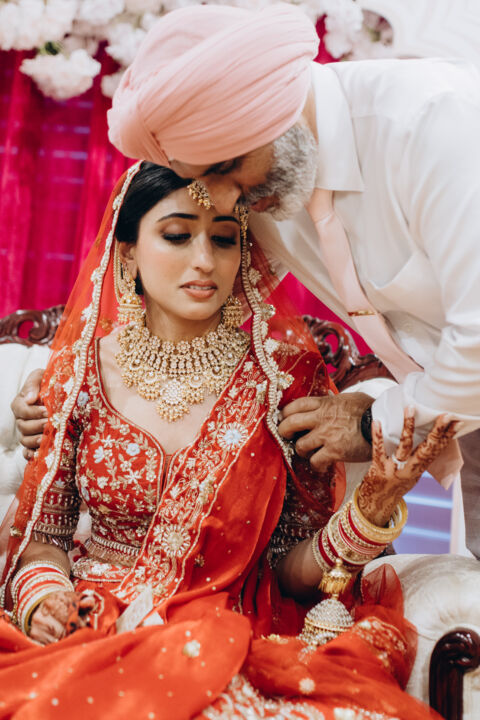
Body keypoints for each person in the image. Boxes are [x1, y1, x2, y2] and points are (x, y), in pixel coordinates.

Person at [0, 163, 454, 719]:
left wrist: (373, 507)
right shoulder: (75, 376)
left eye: (222, 239)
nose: (203, 260)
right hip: (88, 625)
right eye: (176, 235)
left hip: (227, 637)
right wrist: (45, 601)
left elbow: (291, 569)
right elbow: (42, 540)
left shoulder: (285, 382)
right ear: (127, 254)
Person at [98, 2, 479, 558]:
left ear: (270, 114)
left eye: (224, 169)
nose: (223, 201)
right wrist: (81, 382)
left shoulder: (433, 124)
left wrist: (374, 420)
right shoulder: (264, 183)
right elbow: (186, 308)